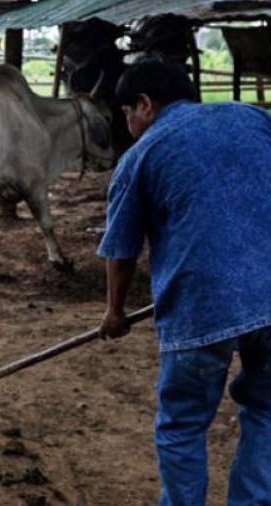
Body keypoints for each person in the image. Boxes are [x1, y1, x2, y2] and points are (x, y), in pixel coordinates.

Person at [97, 59, 271, 505]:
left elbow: (121, 252)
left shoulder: (140, 157)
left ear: (145, 104)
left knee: (183, 422)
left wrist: (115, 313)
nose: (129, 126)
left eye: (127, 115)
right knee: (269, 411)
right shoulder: (251, 117)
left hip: (201, 306)